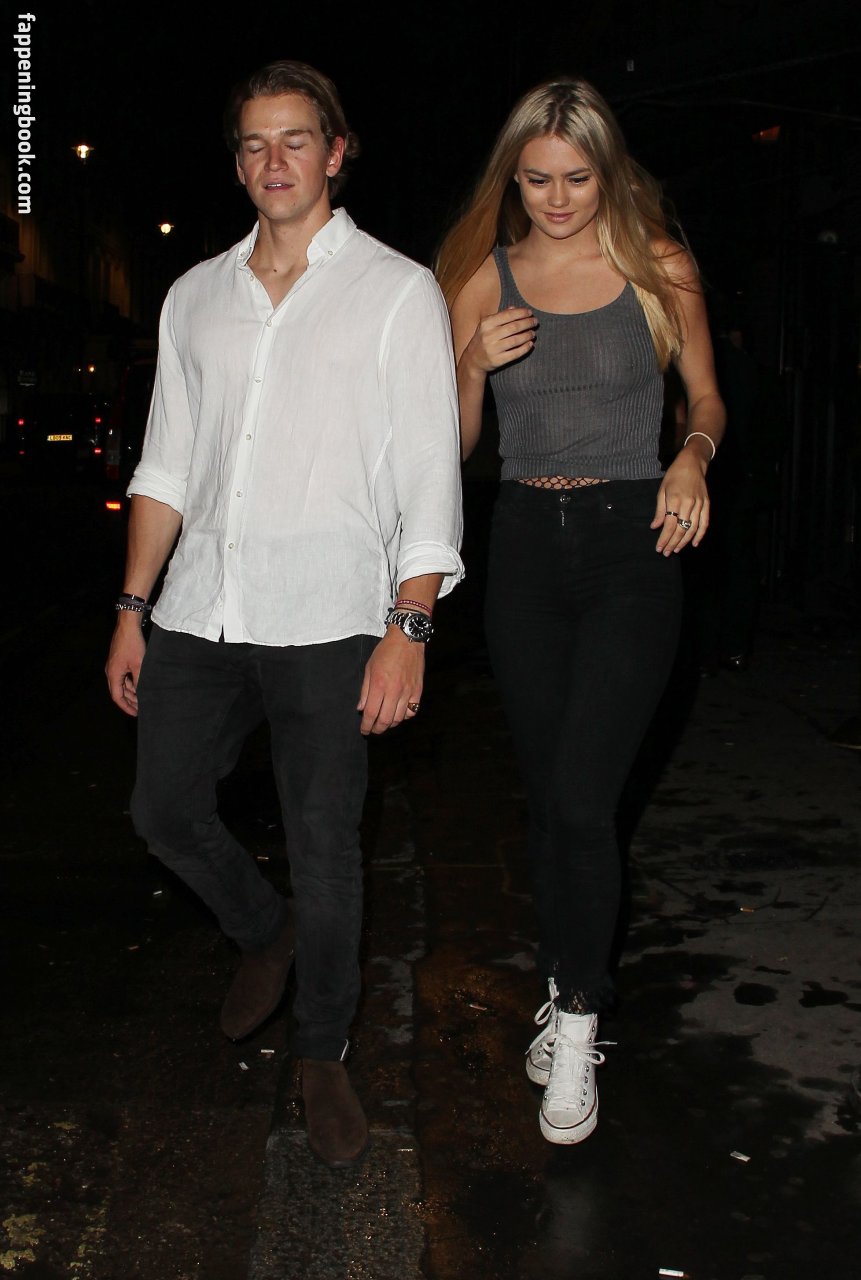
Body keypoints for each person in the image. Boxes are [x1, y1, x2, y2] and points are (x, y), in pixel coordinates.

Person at [105, 60, 463, 1169]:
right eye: (256, 143)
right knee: (163, 809)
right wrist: (132, 607)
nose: (275, 161)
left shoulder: (397, 290)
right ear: (238, 161)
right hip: (202, 605)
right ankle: (265, 930)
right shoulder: (195, 296)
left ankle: (321, 1054)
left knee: (326, 846)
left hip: (332, 612)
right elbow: (166, 463)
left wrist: (409, 625)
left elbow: (429, 468)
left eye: (296, 139)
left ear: (336, 152)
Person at [435, 77, 724, 1145]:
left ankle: (578, 1018)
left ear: (609, 173)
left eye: (577, 178)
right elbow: (453, 446)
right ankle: (565, 982)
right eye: (536, 180)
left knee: (582, 798)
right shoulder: (482, 275)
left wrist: (692, 454)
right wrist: (471, 364)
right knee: (552, 795)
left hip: (632, 548)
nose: (556, 200)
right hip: (522, 548)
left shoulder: (660, 267)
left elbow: (707, 395)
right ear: (511, 178)